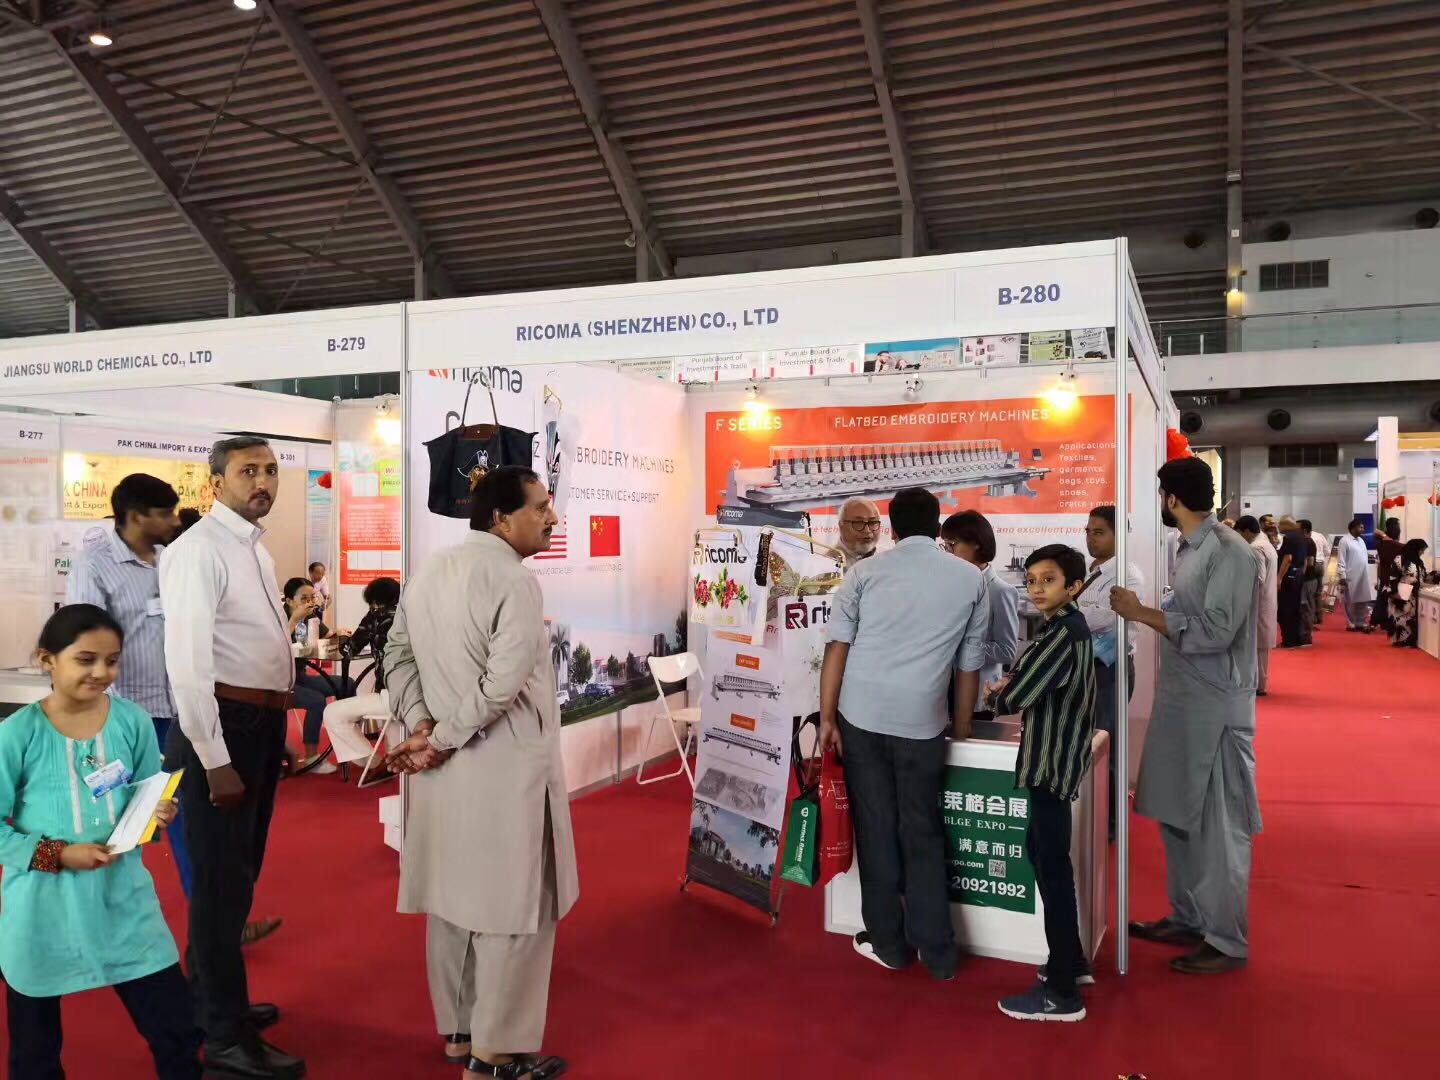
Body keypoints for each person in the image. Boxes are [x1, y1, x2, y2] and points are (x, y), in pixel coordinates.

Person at [384, 466, 576, 1079]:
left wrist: (422, 726)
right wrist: (437, 738)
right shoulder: (513, 579)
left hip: (444, 771)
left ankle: (460, 1032)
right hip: (503, 768)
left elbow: (397, 655)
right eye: (540, 507)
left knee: (453, 900)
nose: (551, 518)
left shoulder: (429, 571)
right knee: (515, 907)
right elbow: (501, 685)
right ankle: (493, 1056)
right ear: (500, 518)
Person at [0, 605, 199, 1078]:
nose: (101, 672)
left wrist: (157, 813)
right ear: (47, 660)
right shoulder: (16, 734)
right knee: (34, 1050)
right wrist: (58, 854)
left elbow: (147, 794)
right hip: (42, 908)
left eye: (111, 661)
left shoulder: (131, 721)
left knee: (177, 1027)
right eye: (85, 659)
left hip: (123, 898)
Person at [160, 436, 304, 1080]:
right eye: (249, 471)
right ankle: (222, 1037)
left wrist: (275, 729)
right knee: (220, 887)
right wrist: (213, 758)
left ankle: (214, 1004)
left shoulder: (253, 547)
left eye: (270, 470)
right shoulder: (199, 550)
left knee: (238, 877)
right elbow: (188, 664)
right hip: (219, 729)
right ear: (215, 483)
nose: (263, 481)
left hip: (257, 725)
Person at [819, 487, 990, 981]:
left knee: (876, 829)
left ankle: (889, 944)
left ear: (891, 528)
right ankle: (938, 953)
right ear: (938, 527)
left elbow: (837, 648)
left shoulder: (864, 574)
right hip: (922, 721)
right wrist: (961, 729)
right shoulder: (971, 579)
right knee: (923, 830)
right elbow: (969, 665)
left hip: (861, 714)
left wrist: (827, 717)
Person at [1111, 456, 1260, 976]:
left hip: (1215, 707)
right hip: (1181, 702)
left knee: (1218, 828)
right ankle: (1189, 916)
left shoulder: (1230, 551)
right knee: (1175, 815)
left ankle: (1226, 939)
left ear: (1172, 498)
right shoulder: (1188, 548)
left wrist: (1142, 613)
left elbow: (1217, 630)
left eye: (1161, 495)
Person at [987, 545, 1096, 1022]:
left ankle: (1062, 993)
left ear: (1074, 586)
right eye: (1031, 580)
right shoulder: (1065, 627)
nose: (1036, 588)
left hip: (1051, 763)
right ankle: (1070, 961)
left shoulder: (1063, 632)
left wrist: (997, 695)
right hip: (1054, 759)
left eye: (1048, 580)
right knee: (1044, 854)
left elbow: (1020, 692)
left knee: (1050, 866)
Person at [65, 474, 190, 884]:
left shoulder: (172, 559)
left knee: (185, 813)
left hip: (179, 709)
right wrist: (96, 716)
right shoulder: (95, 566)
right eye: (164, 513)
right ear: (136, 516)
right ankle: (106, 902)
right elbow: (85, 645)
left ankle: (209, 911)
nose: (174, 521)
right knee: (120, 818)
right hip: (127, 714)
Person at [1076, 505, 1143, 837]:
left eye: (1099, 532)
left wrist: (1067, 611)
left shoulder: (1128, 575)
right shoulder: (1089, 570)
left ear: (1120, 536)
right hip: (1081, 668)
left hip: (1109, 670)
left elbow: (1105, 618)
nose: (1091, 538)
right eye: (1088, 531)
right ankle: (1086, 812)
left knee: (1106, 744)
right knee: (1083, 742)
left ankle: (1110, 823)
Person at [940, 510, 1019, 724]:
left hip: (977, 695)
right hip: (942, 690)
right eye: (944, 545)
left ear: (975, 543)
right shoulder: (948, 584)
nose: (947, 552)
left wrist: (962, 645)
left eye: (952, 544)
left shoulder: (1000, 591)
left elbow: (1006, 651)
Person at [323, 576, 401, 785]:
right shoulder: (411, 614)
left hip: (390, 695)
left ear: (374, 600)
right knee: (392, 719)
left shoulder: (377, 617)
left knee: (333, 713)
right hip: (415, 695)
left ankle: (372, 762)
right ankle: (394, 762)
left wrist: (343, 639)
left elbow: (350, 649)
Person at [282, 576, 354, 775]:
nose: (310, 602)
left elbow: (327, 636)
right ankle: (312, 757)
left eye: (312, 597)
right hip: (279, 680)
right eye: (304, 599)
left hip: (300, 675)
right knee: (315, 700)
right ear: (289, 601)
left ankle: (350, 743)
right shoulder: (278, 618)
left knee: (347, 684)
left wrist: (338, 633)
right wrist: (293, 620)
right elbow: (276, 646)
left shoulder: (311, 617)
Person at [1235, 517, 1278, 695]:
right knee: (1261, 648)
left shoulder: (1256, 548)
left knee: (1256, 646)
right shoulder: (1267, 545)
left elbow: (1257, 578)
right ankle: (1260, 683)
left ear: (1246, 531)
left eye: (1239, 534)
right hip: (1267, 600)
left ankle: (1257, 684)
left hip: (1258, 602)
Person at [1386, 539, 1430, 648]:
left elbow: (1423, 576)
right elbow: (1392, 576)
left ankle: (1410, 640)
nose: (1422, 552)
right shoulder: (1400, 559)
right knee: (1400, 616)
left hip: (1413, 594)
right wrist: (1394, 592)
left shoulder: (1419, 562)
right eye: (1421, 550)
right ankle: (1399, 640)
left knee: (1411, 617)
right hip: (1400, 592)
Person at [1275, 516, 1310, 649]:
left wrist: (1279, 577)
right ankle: (1297, 639)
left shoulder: (1289, 538)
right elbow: (1305, 560)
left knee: (1286, 608)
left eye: (1280, 524)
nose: (1278, 527)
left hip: (1289, 576)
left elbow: (1288, 558)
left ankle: (1288, 640)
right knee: (1296, 608)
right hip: (1298, 574)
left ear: (1287, 525)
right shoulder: (1302, 538)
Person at [1336, 519, 1376, 632]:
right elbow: (1341, 559)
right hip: (1350, 576)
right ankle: (1351, 624)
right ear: (1353, 528)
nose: (1363, 529)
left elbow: (1364, 555)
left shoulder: (1361, 540)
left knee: (1362, 601)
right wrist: (1342, 576)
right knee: (1350, 602)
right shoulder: (1344, 541)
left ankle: (1360, 622)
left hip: (1363, 575)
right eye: (1361, 527)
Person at [1372, 518, 1404, 629]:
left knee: (1382, 599)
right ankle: (1386, 622)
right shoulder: (1398, 546)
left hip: (1385, 575)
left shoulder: (1381, 543)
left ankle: (1377, 621)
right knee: (1390, 600)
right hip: (1394, 576)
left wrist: (1385, 536)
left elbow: (1376, 532)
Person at [837, 496, 884, 571]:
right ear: (841, 526)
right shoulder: (826, 561)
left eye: (872, 522)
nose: (867, 530)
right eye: (858, 523)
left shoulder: (889, 558)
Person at [1297, 520, 1321, 641]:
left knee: (1306, 606)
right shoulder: (1304, 542)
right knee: (1304, 606)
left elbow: (1310, 562)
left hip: (1308, 579)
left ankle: (1306, 635)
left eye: (1297, 528)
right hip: (1307, 579)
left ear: (1304, 530)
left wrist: (1300, 573)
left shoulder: (1308, 543)